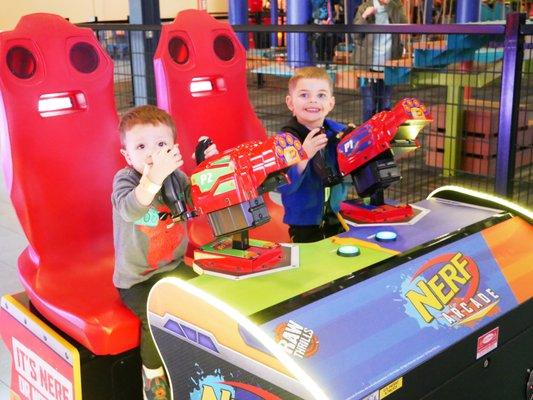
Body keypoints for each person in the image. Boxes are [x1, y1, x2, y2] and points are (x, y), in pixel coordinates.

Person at [112, 105, 217, 400]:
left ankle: (201, 359)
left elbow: (199, 201)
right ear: (128, 156)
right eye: (142, 146)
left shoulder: (177, 179)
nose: (153, 154)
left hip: (171, 266)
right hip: (137, 279)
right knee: (154, 315)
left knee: (208, 300)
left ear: (174, 149)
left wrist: (209, 166)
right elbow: (132, 208)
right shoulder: (126, 181)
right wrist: (153, 177)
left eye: (161, 145)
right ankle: (153, 374)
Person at [278, 66, 348, 243]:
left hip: (337, 215)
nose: (313, 101)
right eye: (304, 95)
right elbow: (283, 186)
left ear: (331, 103)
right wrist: (304, 155)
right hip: (304, 223)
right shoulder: (284, 141)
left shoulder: (340, 133)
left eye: (321, 95)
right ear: (290, 102)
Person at [353, 0, 407, 122]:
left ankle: (383, 135)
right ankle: (368, 136)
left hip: (389, 64)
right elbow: (356, 35)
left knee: (385, 105)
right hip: (367, 64)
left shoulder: (396, 7)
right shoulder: (364, 7)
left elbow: (405, 26)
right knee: (369, 105)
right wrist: (364, 16)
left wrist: (395, 9)